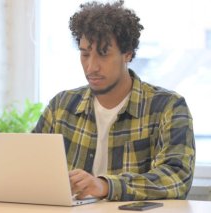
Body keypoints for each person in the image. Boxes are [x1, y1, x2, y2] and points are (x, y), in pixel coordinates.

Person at [32, 0, 195, 201]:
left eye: (103, 54)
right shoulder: (61, 106)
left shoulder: (169, 106)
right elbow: (30, 165)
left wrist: (106, 186)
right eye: (84, 54)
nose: (91, 67)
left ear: (128, 54)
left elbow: (177, 177)